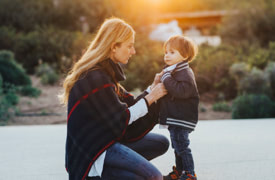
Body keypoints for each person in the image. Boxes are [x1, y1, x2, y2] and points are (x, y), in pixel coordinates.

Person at [59, 17, 169, 180]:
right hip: (94, 152)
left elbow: (128, 104)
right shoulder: (95, 78)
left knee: (161, 143)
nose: (133, 51)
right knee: (154, 177)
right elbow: (122, 117)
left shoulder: (104, 74)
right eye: (129, 46)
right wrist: (152, 97)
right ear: (113, 47)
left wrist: (151, 89)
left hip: (105, 140)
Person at [159, 35, 199, 180]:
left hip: (182, 117)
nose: (167, 55)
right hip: (175, 117)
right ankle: (180, 171)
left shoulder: (185, 73)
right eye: (166, 52)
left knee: (182, 146)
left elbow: (181, 91)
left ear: (185, 55)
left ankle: (189, 173)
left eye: (172, 52)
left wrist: (166, 78)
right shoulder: (173, 71)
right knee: (176, 147)